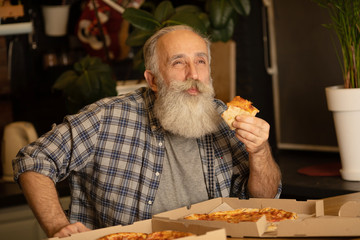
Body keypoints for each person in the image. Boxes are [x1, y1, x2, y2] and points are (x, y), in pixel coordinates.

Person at [13, 25, 281, 238]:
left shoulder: (226, 120)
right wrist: (59, 227)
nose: (193, 74)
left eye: (200, 61)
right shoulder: (107, 118)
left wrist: (259, 151)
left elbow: (265, 200)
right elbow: (34, 159)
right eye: (178, 63)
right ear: (152, 80)